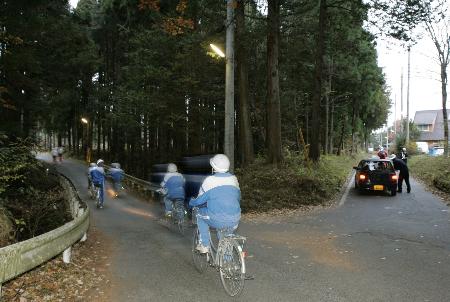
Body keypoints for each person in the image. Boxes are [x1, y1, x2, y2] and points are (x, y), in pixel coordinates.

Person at [189, 154, 241, 254]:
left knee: (200, 215)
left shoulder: (209, 180)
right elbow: (238, 197)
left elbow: (200, 200)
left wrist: (191, 202)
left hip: (217, 218)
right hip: (235, 219)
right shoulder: (234, 179)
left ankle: (205, 245)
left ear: (213, 167)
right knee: (225, 235)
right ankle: (226, 263)